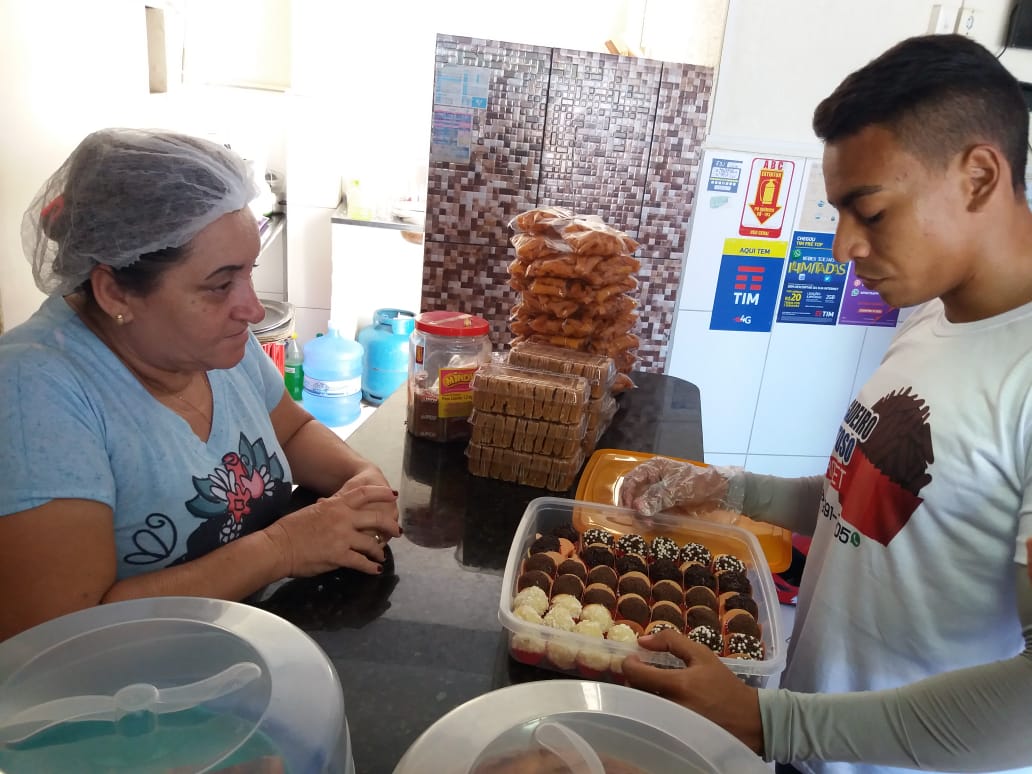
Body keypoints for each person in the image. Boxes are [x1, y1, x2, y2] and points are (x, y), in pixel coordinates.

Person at [619, 34, 1032, 774]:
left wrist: (767, 720)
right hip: (817, 749)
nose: (843, 246)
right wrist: (735, 489)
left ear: (978, 176)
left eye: (869, 213)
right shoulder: (933, 319)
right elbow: (874, 506)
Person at [0, 128, 401, 641]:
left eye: (249, 273)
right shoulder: (34, 391)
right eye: (219, 284)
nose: (253, 308)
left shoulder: (214, 343)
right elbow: (67, 631)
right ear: (115, 291)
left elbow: (293, 432)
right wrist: (281, 548)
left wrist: (361, 478)